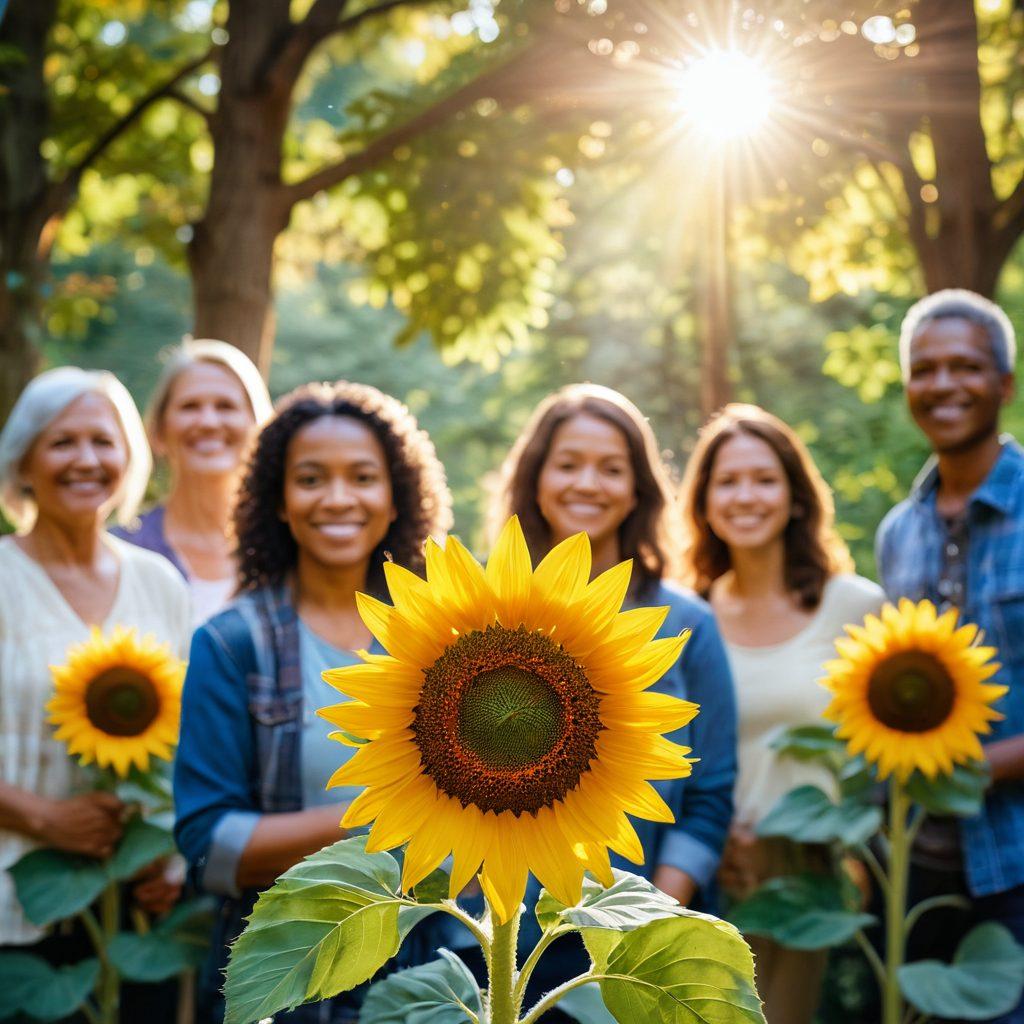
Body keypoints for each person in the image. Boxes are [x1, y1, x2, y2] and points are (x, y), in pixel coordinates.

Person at [173, 380, 452, 1024]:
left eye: (363, 477)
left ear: (396, 496)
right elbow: (209, 846)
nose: (338, 498)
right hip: (283, 979)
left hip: (425, 975)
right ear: (278, 499)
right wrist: (383, 815)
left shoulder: (447, 637)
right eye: (310, 479)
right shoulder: (231, 644)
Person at [486, 382, 737, 1012]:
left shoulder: (686, 624)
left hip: (631, 938)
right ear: (535, 479)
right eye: (567, 464)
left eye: (611, 468)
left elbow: (710, 793)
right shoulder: (489, 610)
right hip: (498, 937)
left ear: (638, 489)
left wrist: (651, 920)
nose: (587, 484)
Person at [677, 402, 883, 1023]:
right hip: (715, 873)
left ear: (796, 497)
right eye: (728, 482)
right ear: (704, 502)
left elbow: (886, 747)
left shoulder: (854, 607)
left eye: (765, 479)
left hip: (824, 879)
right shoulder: (690, 618)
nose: (746, 496)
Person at [0, 367, 190, 1011]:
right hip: (10, 915)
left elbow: (184, 745)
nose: (86, 460)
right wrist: (43, 817)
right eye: (62, 442)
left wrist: (165, 857)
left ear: (128, 458)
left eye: (103, 442)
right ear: (23, 462)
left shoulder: (159, 583)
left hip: (128, 915)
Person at [876, 289, 1024, 1024]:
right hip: (919, 862)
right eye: (924, 369)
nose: (942, 385)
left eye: (965, 366)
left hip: (1017, 855)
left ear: (1005, 384)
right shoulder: (897, 532)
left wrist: (964, 769)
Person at [115, 338, 273, 625]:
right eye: (190, 406)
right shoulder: (119, 551)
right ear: (158, 431)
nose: (208, 422)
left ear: (258, 427)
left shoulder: (287, 551)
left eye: (225, 406)